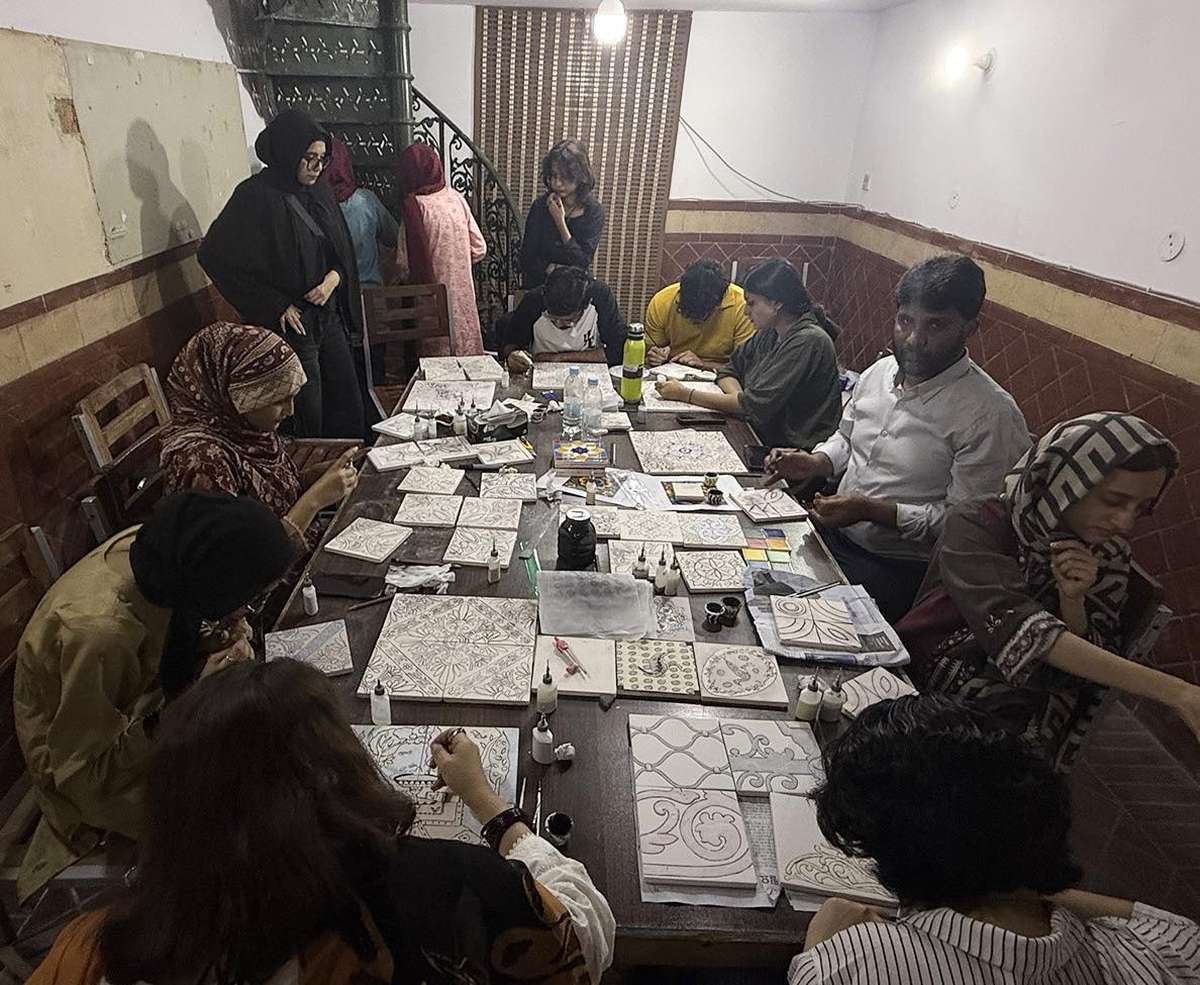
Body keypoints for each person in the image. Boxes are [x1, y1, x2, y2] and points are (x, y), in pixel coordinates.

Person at [28, 659, 616, 985]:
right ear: (341, 773)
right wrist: (490, 805)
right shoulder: (436, 890)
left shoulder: (92, 951)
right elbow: (585, 931)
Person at [791, 694, 1200, 984]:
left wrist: (820, 944)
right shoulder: (1175, 950)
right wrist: (1015, 874)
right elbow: (1148, 919)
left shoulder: (850, 968)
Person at [13, 492, 294, 902]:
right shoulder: (101, 633)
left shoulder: (164, 554)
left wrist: (223, 633)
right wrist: (186, 706)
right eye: (247, 599)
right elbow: (84, 776)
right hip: (82, 768)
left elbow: (177, 624)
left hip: (135, 698)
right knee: (247, 807)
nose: (247, 610)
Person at [898, 412, 1200, 768]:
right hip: (926, 676)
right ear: (1063, 481)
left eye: (1141, 508)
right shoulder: (979, 522)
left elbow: (1083, 671)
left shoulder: (1109, 555)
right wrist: (1177, 692)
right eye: (1114, 501)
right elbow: (1016, 626)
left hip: (1026, 707)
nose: (1125, 522)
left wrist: (1074, 601)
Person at [765, 254, 1031, 623]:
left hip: (898, 571)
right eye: (905, 321)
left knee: (803, 633)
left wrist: (871, 510)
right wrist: (816, 461)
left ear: (970, 328)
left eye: (936, 325)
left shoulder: (990, 415)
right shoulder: (878, 373)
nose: (915, 339)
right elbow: (847, 439)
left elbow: (966, 527)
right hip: (831, 536)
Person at [199, 108, 364, 439]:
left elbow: (340, 250)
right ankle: (310, 469)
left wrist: (333, 279)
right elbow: (213, 256)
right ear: (288, 152)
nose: (317, 167)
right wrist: (274, 304)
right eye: (309, 158)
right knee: (307, 410)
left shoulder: (320, 191)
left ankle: (348, 465)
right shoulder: (254, 196)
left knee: (348, 401)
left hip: (328, 315)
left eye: (322, 159)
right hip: (293, 326)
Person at [160, 322, 360, 547]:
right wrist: (315, 499)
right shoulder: (203, 462)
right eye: (277, 401)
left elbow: (275, 499)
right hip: (279, 565)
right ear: (236, 397)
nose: (290, 411)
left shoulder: (247, 429)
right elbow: (247, 561)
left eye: (292, 397)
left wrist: (315, 478)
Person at [655, 259, 841, 451]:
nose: (746, 311)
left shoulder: (808, 341)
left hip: (792, 450)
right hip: (758, 431)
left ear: (776, 303)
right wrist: (738, 399)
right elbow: (730, 370)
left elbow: (751, 406)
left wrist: (685, 394)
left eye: (751, 303)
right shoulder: (770, 332)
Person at [394, 142, 488, 356]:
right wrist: (457, 262)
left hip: (432, 300)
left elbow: (404, 265)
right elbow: (479, 248)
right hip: (463, 297)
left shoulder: (415, 209)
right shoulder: (455, 198)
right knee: (467, 355)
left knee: (438, 361)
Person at [500, 266, 627, 371]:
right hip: (540, 372)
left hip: (588, 373)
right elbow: (509, 344)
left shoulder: (600, 297)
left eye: (568, 320)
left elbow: (618, 351)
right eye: (552, 319)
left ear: (584, 306)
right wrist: (512, 355)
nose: (559, 325)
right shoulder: (534, 301)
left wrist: (559, 358)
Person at [520, 140, 605, 290]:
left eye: (564, 177)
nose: (557, 183)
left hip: (575, 290)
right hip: (540, 287)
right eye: (553, 176)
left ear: (580, 176)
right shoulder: (540, 206)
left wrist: (560, 222)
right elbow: (527, 259)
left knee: (603, 292)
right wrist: (554, 270)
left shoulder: (593, 211)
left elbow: (582, 261)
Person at [644, 259, 756, 370]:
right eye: (688, 314)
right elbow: (652, 352)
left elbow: (744, 368)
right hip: (671, 368)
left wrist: (703, 364)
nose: (695, 321)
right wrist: (656, 356)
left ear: (719, 302)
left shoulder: (743, 306)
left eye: (703, 315)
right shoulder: (662, 302)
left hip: (720, 373)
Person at [324, 136, 399, 288]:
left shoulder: (315, 206)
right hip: (370, 290)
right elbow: (394, 237)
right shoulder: (366, 200)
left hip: (333, 293)